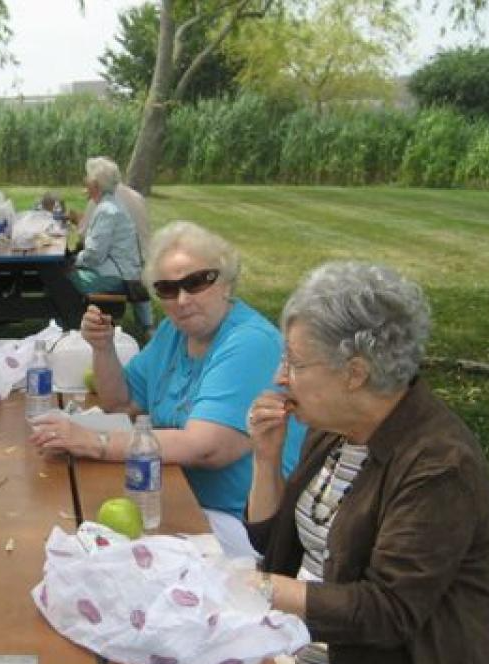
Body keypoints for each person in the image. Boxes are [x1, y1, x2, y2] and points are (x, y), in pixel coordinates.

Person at [186, 262, 489, 664]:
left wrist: (263, 589)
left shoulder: (438, 466)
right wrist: (265, 462)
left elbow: (388, 612)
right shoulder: (334, 432)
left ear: (354, 373)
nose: (281, 377)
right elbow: (277, 546)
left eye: (294, 361)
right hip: (321, 662)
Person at [31, 220, 303, 556]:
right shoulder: (174, 334)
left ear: (226, 282)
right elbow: (122, 401)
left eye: (196, 282)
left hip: (244, 527)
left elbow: (205, 448)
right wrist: (102, 348)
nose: (182, 299)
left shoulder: (249, 342)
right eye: (168, 289)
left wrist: (93, 442)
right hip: (178, 496)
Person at [68, 156, 154, 332]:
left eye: (88, 178)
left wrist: (74, 261)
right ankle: (70, 321)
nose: (85, 181)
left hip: (115, 276)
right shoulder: (110, 205)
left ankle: (67, 324)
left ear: (96, 185)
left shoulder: (107, 211)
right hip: (121, 271)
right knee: (62, 272)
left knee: (60, 277)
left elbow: (94, 254)